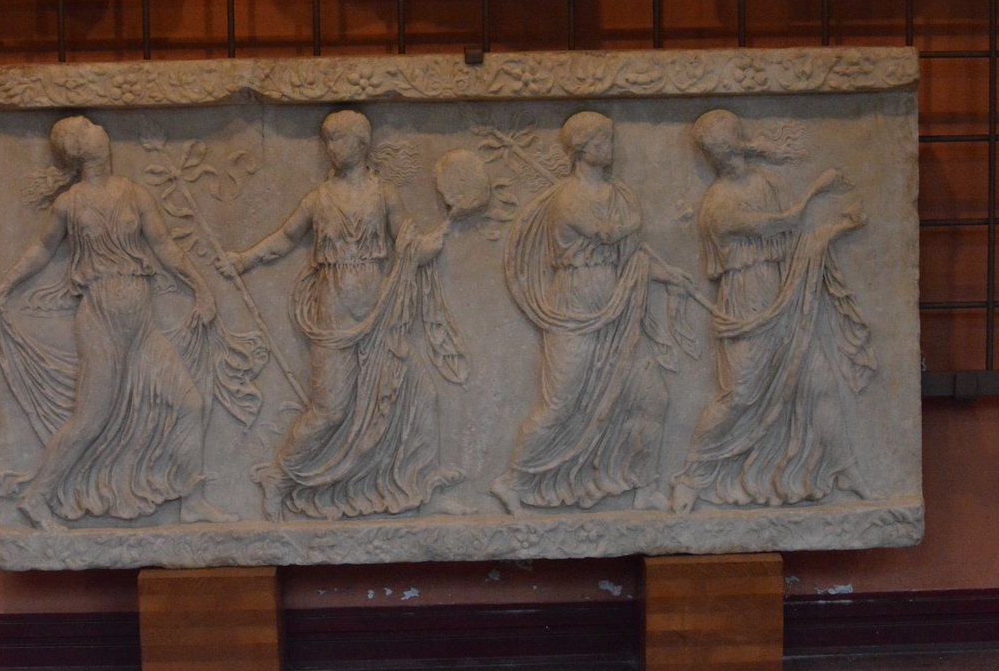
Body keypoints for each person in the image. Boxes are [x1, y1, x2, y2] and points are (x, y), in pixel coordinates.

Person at [0, 116, 265, 531]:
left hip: (142, 323)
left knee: (190, 404)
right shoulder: (70, 204)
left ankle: (192, 500)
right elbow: (41, 250)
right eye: (86, 126)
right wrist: (4, 288)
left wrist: (201, 290)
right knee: (89, 419)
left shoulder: (135, 194)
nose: (97, 127)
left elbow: (165, 248)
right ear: (78, 148)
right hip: (100, 321)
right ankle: (36, 497)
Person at [216, 110, 466, 521]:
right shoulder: (318, 199)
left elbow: (410, 247)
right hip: (332, 315)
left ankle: (419, 488)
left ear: (361, 143)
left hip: (380, 316)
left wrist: (433, 241)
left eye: (338, 139)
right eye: (327, 140)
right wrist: (244, 260)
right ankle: (278, 476)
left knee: (421, 394)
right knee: (329, 410)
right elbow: (285, 238)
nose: (331, 148)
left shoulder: (384, 195)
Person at [671, 109, 876, 513]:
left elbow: (797, 242)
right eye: (715, 151)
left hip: (784, 290)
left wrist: (841, 228)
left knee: (817, 379)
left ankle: (845, 467)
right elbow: (783, 222)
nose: (721, 157)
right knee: (739, 396)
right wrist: (818, 187)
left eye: (723, 147)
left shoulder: (771, 182)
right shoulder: (717, 204)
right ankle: (692, 478)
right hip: (745, 301)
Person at [491, 112, 697, 515]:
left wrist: (668, 275)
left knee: (652, 397)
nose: (611, 146)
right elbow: (607, 233)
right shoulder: (569, 199)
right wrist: (636, 221)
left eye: (611, 138)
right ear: (581, 149)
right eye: (603, 140)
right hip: (575, 307)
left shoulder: (618, 196)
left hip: (617, 308)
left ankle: (643, 485)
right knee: (562, 406)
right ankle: (511, 480)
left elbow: (630, 258)